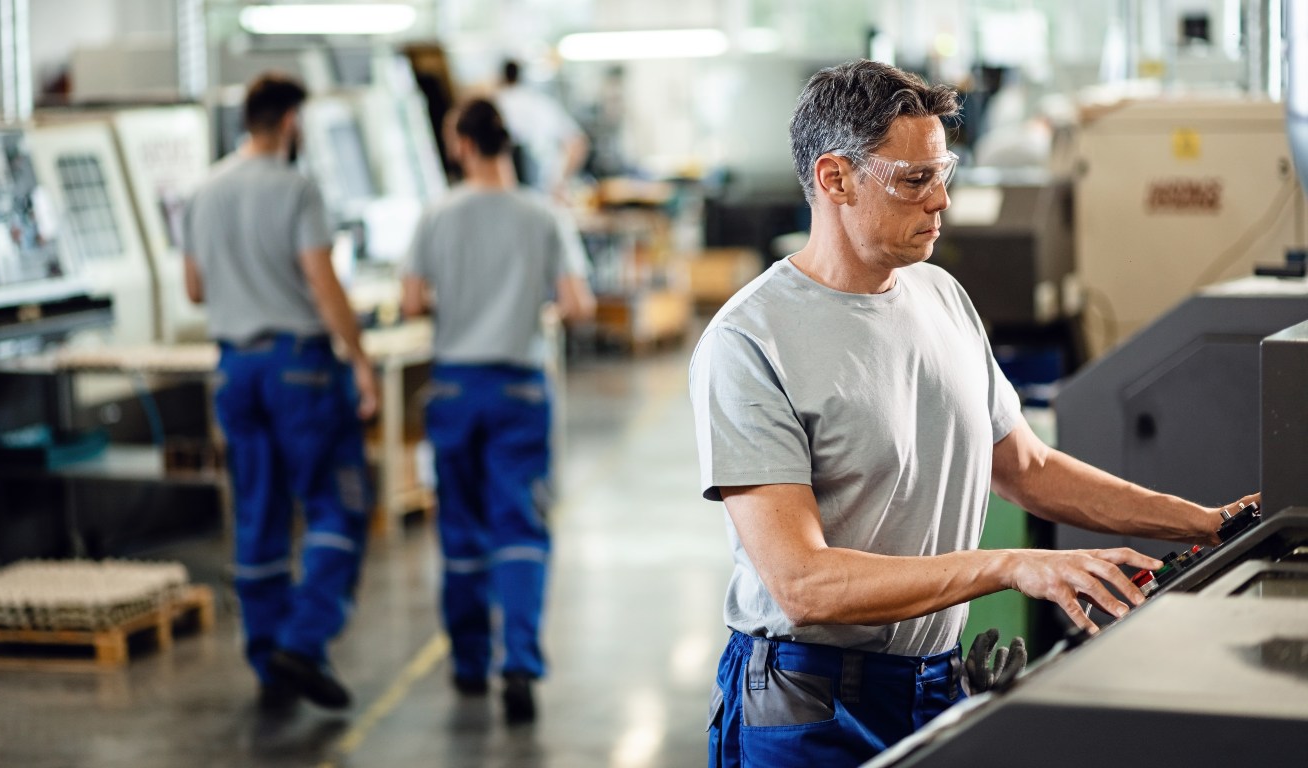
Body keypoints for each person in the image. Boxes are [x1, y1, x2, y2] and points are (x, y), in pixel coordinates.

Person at [687, 59, 1259, 767]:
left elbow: (1027, 466)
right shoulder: (750, 340)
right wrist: (1010, 566)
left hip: (937, 679)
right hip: (810, 702)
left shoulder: (940, 296)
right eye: (915, 180)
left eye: (943, 172)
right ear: (835, 179)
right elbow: (804, 584)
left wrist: (1204, 523)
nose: (942, 202)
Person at [183, 72, 379, 712]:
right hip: (300, 366)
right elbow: (322, 284)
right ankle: (305, 638)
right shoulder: (298, 188)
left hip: (235, 366)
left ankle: (269, 659)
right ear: (291, 123)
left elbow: (194, 289)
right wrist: (360, 357)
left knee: (259, 508)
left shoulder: (204, 191)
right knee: (338, 503)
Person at [400, 98, 596, 724]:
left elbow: (409, 302)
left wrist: (460, 304)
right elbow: (576, 305)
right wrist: (524, 307)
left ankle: (466, 664)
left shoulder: (436, 214)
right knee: (521, 527)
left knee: (459, 530)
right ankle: (518, 662)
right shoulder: (541, 216)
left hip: (455, 386)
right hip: (520, 387)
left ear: (461, 144)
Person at [495, 58, 589, 199]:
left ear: (502, 77)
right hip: (545, 195)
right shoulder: (543, 104)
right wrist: (559, 180)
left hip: (507, 197)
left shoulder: (495, 105)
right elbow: (578, 143)